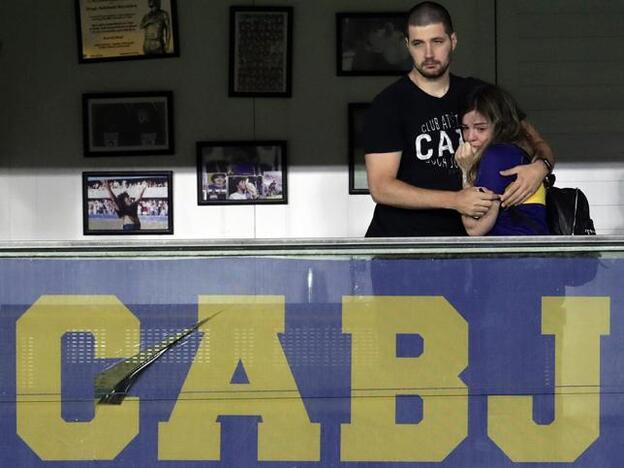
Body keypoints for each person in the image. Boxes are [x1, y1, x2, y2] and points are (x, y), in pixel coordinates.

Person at [363, 1, 554, 237]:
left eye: (437, 41)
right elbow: (381, 188)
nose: (429, 54)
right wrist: (455, 200)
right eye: (418, 44)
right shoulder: (389, 104)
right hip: (401, 247)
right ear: (407, 46)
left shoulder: (479, 95)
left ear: (453, 41)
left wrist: (540, 168)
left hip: (465, 248)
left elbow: (536, 142)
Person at [455, 85, 549, 235]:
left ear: (500, 127)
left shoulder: (496, 156)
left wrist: (465, 172)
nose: (470, 137)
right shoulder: (515, 153)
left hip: (512, 254)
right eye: (465, 128)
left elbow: (474, 228)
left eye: (480, 129)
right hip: (528, 252)